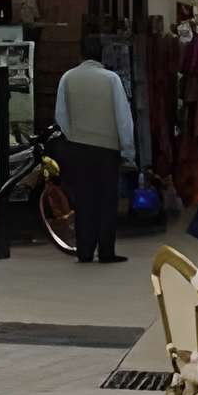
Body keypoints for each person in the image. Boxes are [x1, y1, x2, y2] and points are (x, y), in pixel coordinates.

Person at [55, 34, 135, 265]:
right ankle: (106, 251)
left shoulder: (67, 78)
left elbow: (61, 116)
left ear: (80, 54)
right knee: (106, 201)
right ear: (101, 55)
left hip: (78, 148)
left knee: (84, 200)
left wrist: (75, 136)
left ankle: (85, 251)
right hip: (107, 150)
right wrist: (127, 149)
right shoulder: (111, 80)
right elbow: (123, 118)